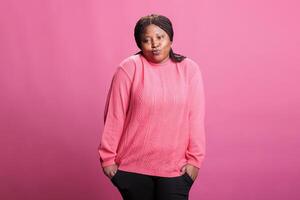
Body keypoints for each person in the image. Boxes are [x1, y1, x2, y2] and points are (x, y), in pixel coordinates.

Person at [97, 13, 206, 200]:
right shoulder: (129, 68)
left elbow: (195, 117)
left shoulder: (189, 69)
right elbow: (115, 115)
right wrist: (108, 159)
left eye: (159, 37)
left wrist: (194, 162)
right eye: (146, 40)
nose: (154, 44)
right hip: (133, 169)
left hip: (176, 170)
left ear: (170, 39)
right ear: (139, 44)